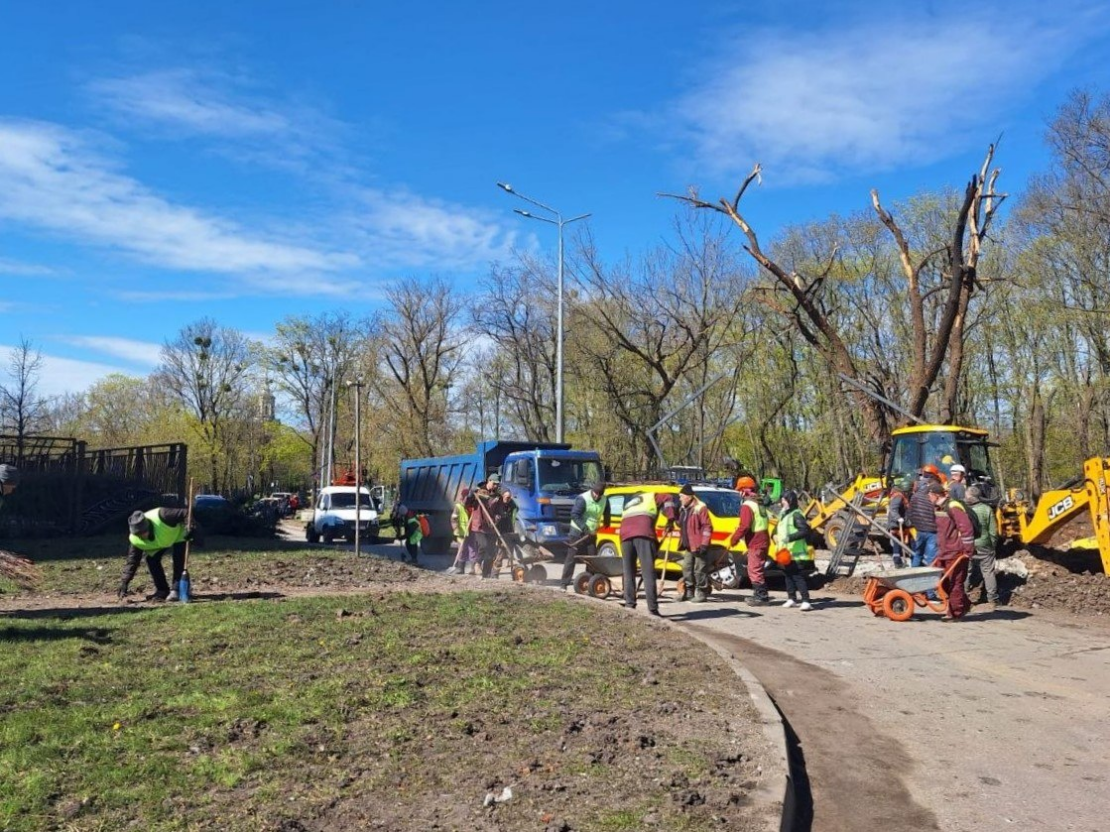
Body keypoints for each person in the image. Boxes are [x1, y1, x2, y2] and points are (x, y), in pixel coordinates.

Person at [118, 506, 199, 601]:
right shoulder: (135, 539)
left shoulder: (163, 515)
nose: (141, 537)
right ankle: (162, 590)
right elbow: (132, 561)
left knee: (179, 559)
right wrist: (125, 582)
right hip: (160, 540)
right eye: (138, 535)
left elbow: (185, 513)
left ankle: (177, 589)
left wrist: (191, 527)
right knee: (151, 560)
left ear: (148, 526)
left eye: (143, 533)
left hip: (178, 534)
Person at [619, 490, 676, 616]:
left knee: (628, 572)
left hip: (624, 537)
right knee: (648, 572)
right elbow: (668, 498)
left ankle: (629, 604)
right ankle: (652, 608)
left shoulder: (629, 505)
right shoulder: (650, 497)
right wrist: (671, 519)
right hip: (643, 534)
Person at [927, 481, 974, 621]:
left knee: (955, 582)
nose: (928, 497)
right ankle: (963, 604)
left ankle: (955, 613)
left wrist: (968, 550)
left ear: (936, 495)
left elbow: (966, 528)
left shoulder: (953, 507)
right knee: (942, 582)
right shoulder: (938, 508)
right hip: (944, 551)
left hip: (956, 552)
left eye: (929, 495)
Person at [729, 475, 772, 606]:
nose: (739, 493)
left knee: (754, 569)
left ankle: (761, 597)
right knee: (757, 567)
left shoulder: (747, 506)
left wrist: (734, 539)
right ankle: (760, 594)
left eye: (739, 490)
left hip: (755, 540)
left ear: (744, 490)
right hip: (764, 538)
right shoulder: (759, 503)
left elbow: (745, 526)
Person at [560, 480, 607, 591]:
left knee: (592, 559)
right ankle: (564, 583)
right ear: (592, 490)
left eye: (599, 495)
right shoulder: (583, 499)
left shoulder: (605, 500)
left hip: (591, 533)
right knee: (571, 558)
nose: (597, 496)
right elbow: (574, 515)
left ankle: (588, 582)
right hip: (577, 533)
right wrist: (585, 529)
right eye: (595, 493)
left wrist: (606, 522)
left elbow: (606, 512)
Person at [774, 490, 814, 610]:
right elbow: (778, 529)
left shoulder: (796, 514)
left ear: (790, 501)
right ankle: (791, 598)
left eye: (784, 500)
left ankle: (806, 600)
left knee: (797, 576)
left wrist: (790, 538)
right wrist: (774, 535)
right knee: (787, 575)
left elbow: (804, 530)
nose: (782, 502)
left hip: (796, 553)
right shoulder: (783, 514)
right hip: (785, 552)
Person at [965, 485, 1000, 608]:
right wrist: (993, 544)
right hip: (985, 544)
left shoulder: (964, 510)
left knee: (967, 571)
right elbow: (993, 531)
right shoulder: (987, 509)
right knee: (988, 571)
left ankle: (964, 596)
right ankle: (992, 598)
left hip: (968, 545)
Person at [465, 474, 506, 579]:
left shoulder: (498, 497)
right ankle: (477, 564)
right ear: (489, 480)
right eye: (494, 483)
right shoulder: (479, 492)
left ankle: (486, 574)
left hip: (491, 527)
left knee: (491, 551)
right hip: (479, 526)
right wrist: (470, 495)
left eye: (497, 484)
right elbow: (467, 504)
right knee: (483, 545)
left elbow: (500, 511)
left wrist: (497, 518)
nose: (496, 486)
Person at [677, 484, 713, 603]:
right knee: (686, 568)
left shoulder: (700, 508)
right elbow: (683, 523)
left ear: (688, 497)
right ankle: (689, 592)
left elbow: (707, 526)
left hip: (698, 545)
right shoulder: (683, 508)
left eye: (681, 496)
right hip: (688, 545)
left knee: (699, 570)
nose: (680, 499)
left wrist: (704, 544)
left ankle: (701, 593)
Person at [907, 467, 943, 568]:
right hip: (931, 530)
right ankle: (929, 575)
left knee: (918, 553)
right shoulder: (933, 495)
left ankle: (914, 572)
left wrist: (914, 524)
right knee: (931, 557)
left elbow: (910, 513)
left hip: (919, 529)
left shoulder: (915, 496)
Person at [885, 475, 912, 568]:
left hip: (899, 523)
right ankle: (897, 562)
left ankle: (899, 561)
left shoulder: (900, 495)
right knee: (897, 543)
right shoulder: (898, 497)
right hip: (896, 524)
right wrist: (898, 518)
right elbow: (893, 509)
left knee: (899, 543)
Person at [446, 487, 472, 575]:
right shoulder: (458, 507)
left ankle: (473, 568)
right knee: (462, 549)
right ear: (463, 497)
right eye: (466, 498)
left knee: (472, 550)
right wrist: (456, 527)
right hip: (461, 532)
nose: (467, 500)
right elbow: (453, 518)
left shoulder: (471, 506)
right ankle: (460, 568)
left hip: (470, 531)